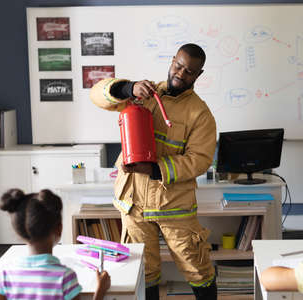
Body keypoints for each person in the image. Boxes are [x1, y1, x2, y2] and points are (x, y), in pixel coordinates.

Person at [90, 43, 217, 300]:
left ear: (198, 75)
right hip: (134, 204)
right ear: (172, 61)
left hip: (174, 207)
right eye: (178, 66)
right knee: (143, 272)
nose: (181, 74)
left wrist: (156, 169)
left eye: (190, 71)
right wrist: (129, 87)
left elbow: (200, 160)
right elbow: (97, 95)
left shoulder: (200, 114)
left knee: (198, 269)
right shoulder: (142, 94)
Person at [0, 189, 111, 300]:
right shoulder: (65, 277)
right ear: (59, 229)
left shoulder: (6, 275)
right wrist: (100, 291)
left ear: (19, 231)